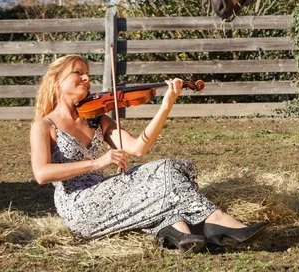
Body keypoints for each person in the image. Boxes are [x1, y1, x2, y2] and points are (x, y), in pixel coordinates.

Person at [30, 54, 265, 252]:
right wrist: (97, 163)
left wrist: (166, 104)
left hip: (106, 194)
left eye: (88, 73)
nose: (86, 78)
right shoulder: (44, 126)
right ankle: (215, 221)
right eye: (78, 72)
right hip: (79, 207)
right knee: (163, 173)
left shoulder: (97, 118)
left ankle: (177, 231)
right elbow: (41, 173)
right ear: (57, 80)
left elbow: (138, 148)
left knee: (174, 166)